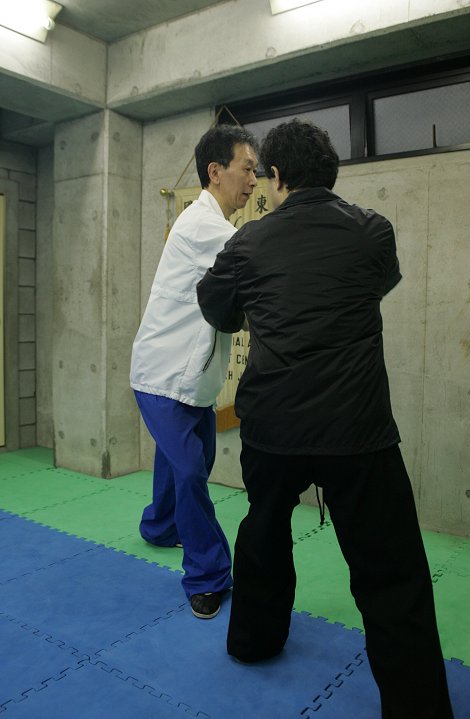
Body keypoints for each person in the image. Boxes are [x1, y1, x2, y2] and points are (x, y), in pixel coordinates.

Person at [197, 119, 454, 717]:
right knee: (391, 570)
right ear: (330, 174)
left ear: (276, 176)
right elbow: (375, 286)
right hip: (357, 430)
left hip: (274, 429)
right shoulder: (373, 231)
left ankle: (254, 642)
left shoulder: (248, 243)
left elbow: (217, 308)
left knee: (264, 532)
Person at [130, 124, 258, 620]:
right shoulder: (204, 225)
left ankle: (160, 526)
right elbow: (256, 261)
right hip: (163, 377)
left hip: (194, 380)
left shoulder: (214, 224)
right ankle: (208, 576)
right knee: (189, 470)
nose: (254, 180)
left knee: (187, 464)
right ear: (215, 171)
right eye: (247, 168)